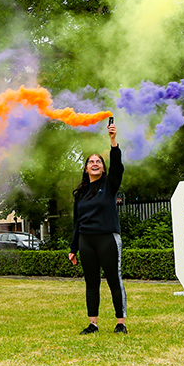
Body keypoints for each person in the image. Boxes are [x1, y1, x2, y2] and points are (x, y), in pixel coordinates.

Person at [69, 122, 127, 335]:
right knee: (91, 283)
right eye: (91, 161)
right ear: (86, 168)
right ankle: (93, 324)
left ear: (103, 168)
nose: (95, 163)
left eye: (98, 162)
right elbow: (77, 222)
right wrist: (73, 248)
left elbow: (118, 165)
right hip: (86, 241)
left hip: (107, 239)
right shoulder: (80, 194)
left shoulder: (110, 184)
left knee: (114, 280)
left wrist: (113, 141)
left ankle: (121, 322)